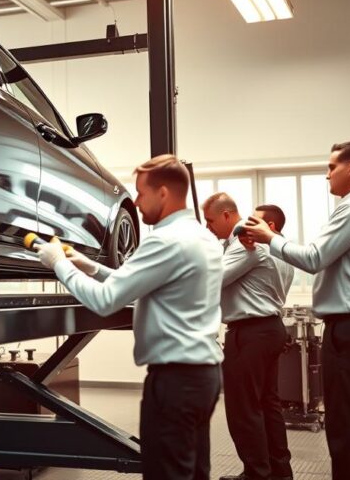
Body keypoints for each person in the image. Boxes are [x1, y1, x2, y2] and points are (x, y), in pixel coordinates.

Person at [36, 154, 223, 480]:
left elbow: (105, 301)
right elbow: (142, 284)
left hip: (175, 384)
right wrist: (91, 267)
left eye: (140, 193)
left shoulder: (165, 241)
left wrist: (59, 264)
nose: (135, 202)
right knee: (193, 472)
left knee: (167, 473)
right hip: (202, 377)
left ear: (163, 192)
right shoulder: (200, 237)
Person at [242, 142, 350, 480]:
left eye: (331, 167)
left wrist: (271, 237)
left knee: (345, 428)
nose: (327, 175)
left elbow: (313, 258)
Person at [202, 194, 293, 480]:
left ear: (228, 215)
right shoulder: (271, 248)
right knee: (267, 405)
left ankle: (257, 474)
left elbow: (211, 281)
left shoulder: (245, 243)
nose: (208, 227)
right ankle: (278, 471)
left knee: (244, 409)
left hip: (250, 333)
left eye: (210, 220)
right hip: (268, 329)